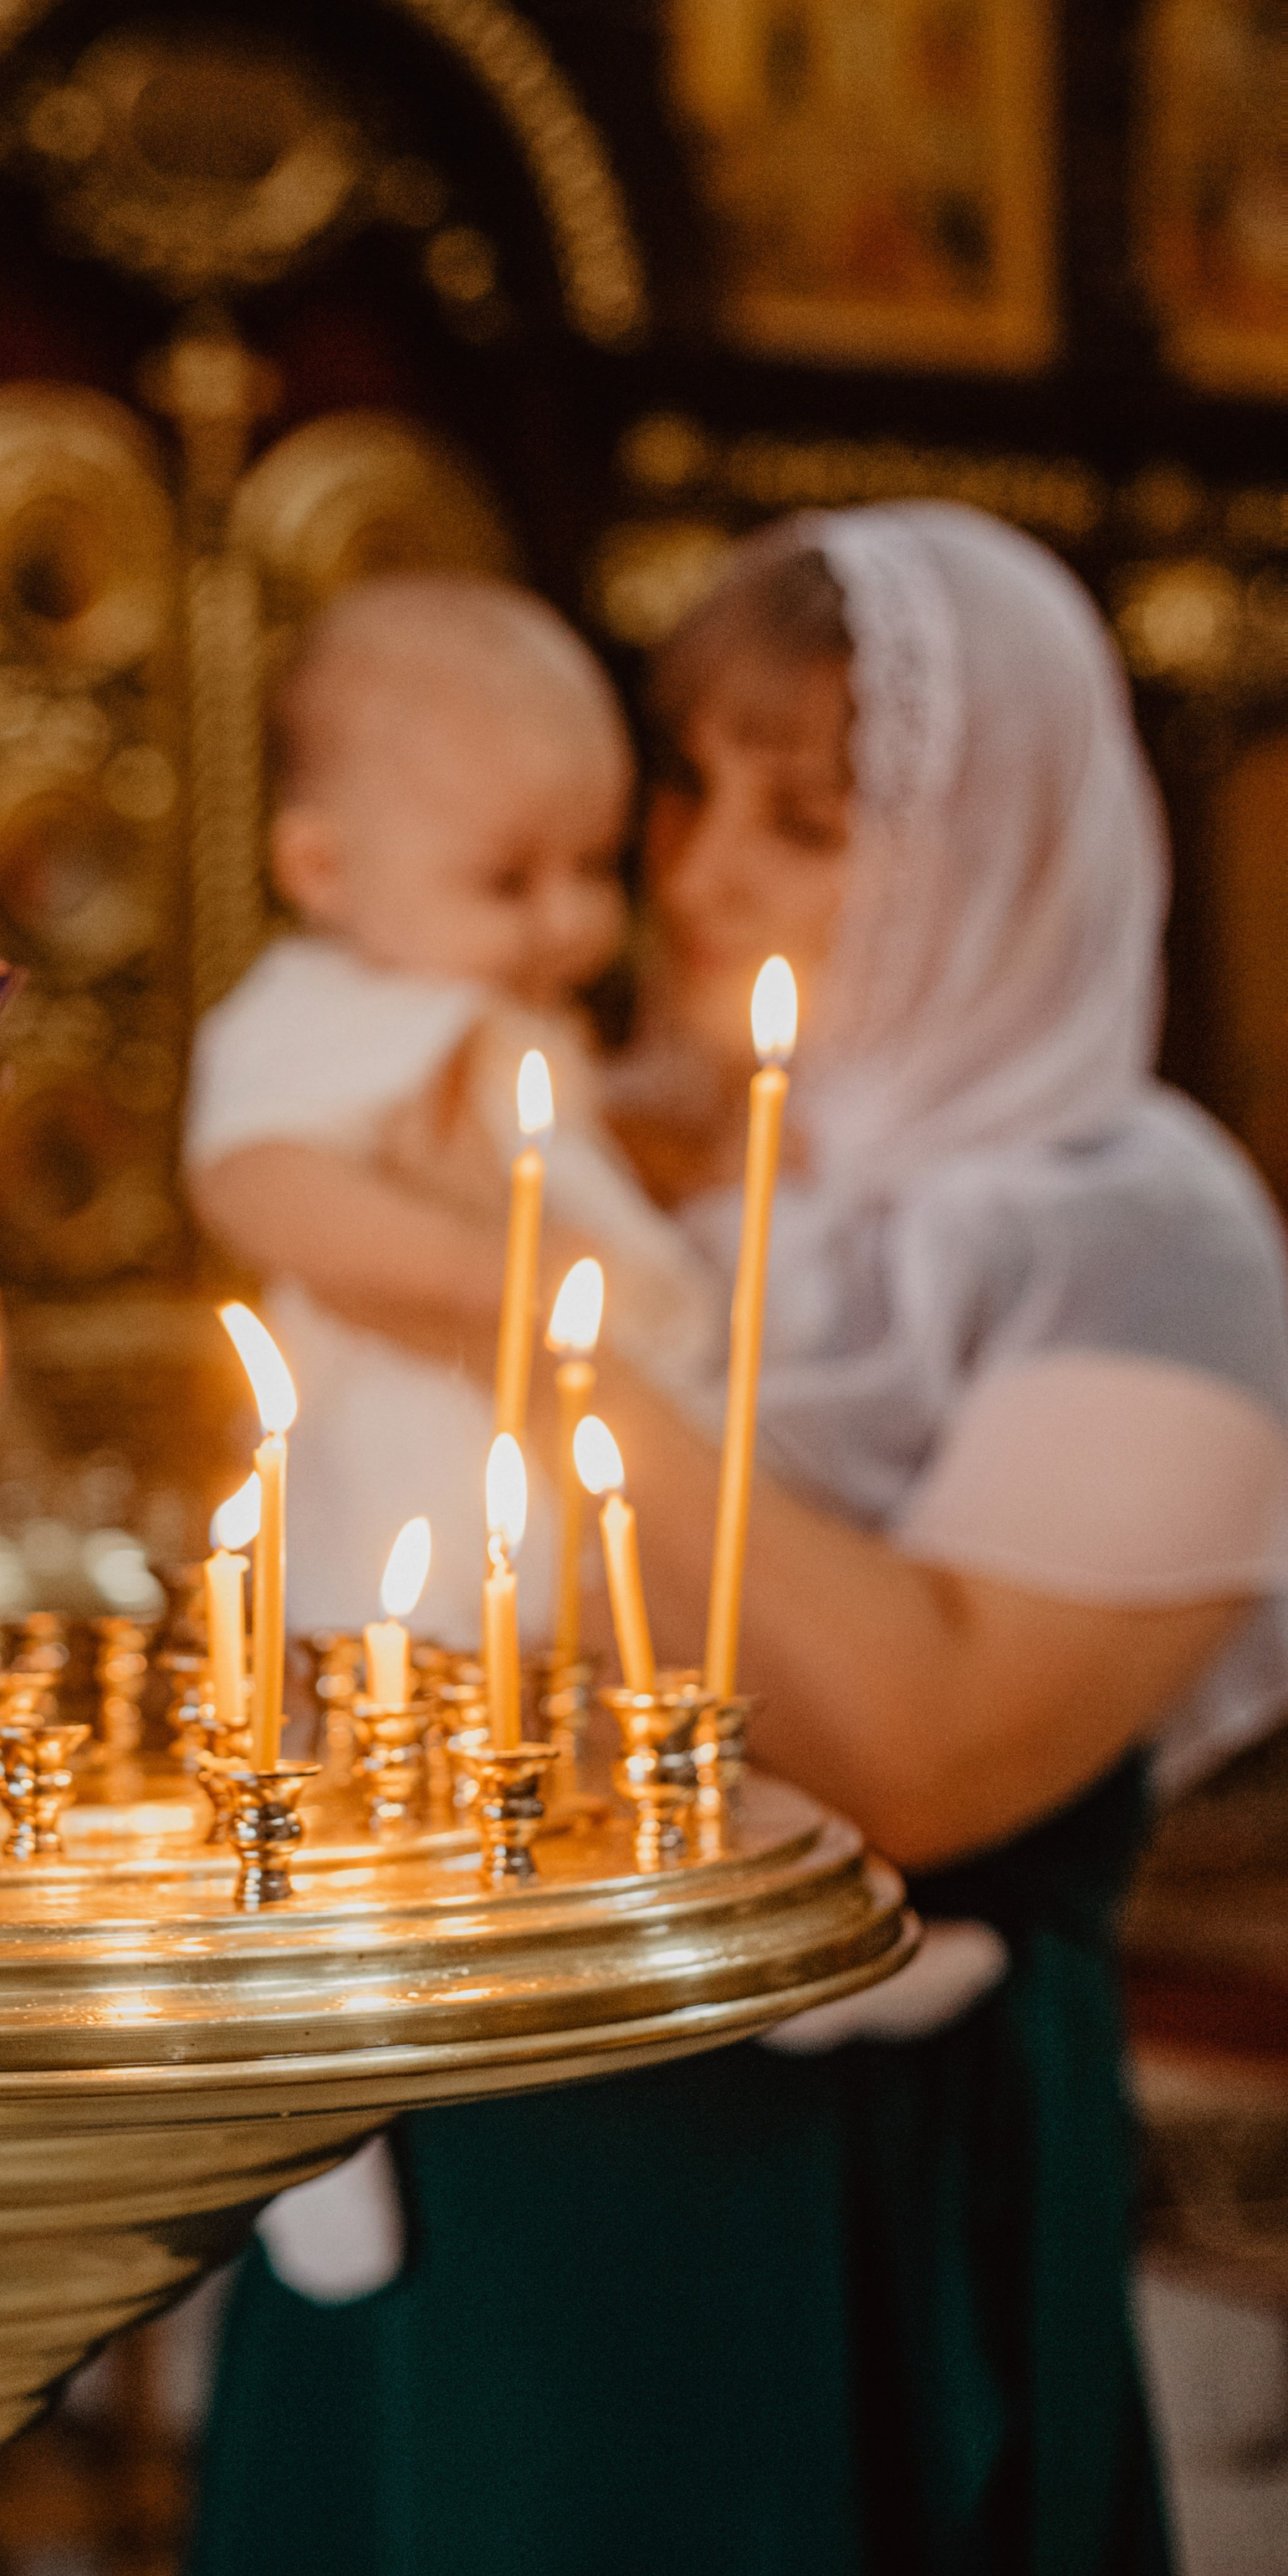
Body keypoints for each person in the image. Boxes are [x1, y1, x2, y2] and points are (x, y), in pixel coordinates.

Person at [190, 504, 1288, 2576]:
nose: (687, 878)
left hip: (817, 2197)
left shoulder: (1144, 1236)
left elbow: (926, 1742)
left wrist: (531, 1324)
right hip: (439, 2141)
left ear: (1001, 851)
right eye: (680, 788)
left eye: (797, 820)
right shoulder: (600, 1127)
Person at [185, 573, 716, 1642]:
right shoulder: (322, 1011)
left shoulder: (480, 1005)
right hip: (407, 1456)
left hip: (570, 1454)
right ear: (320, 864)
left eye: (592, 865)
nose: (566, 917)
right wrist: (486, 1268)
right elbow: (253, 1179)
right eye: (506, 880)